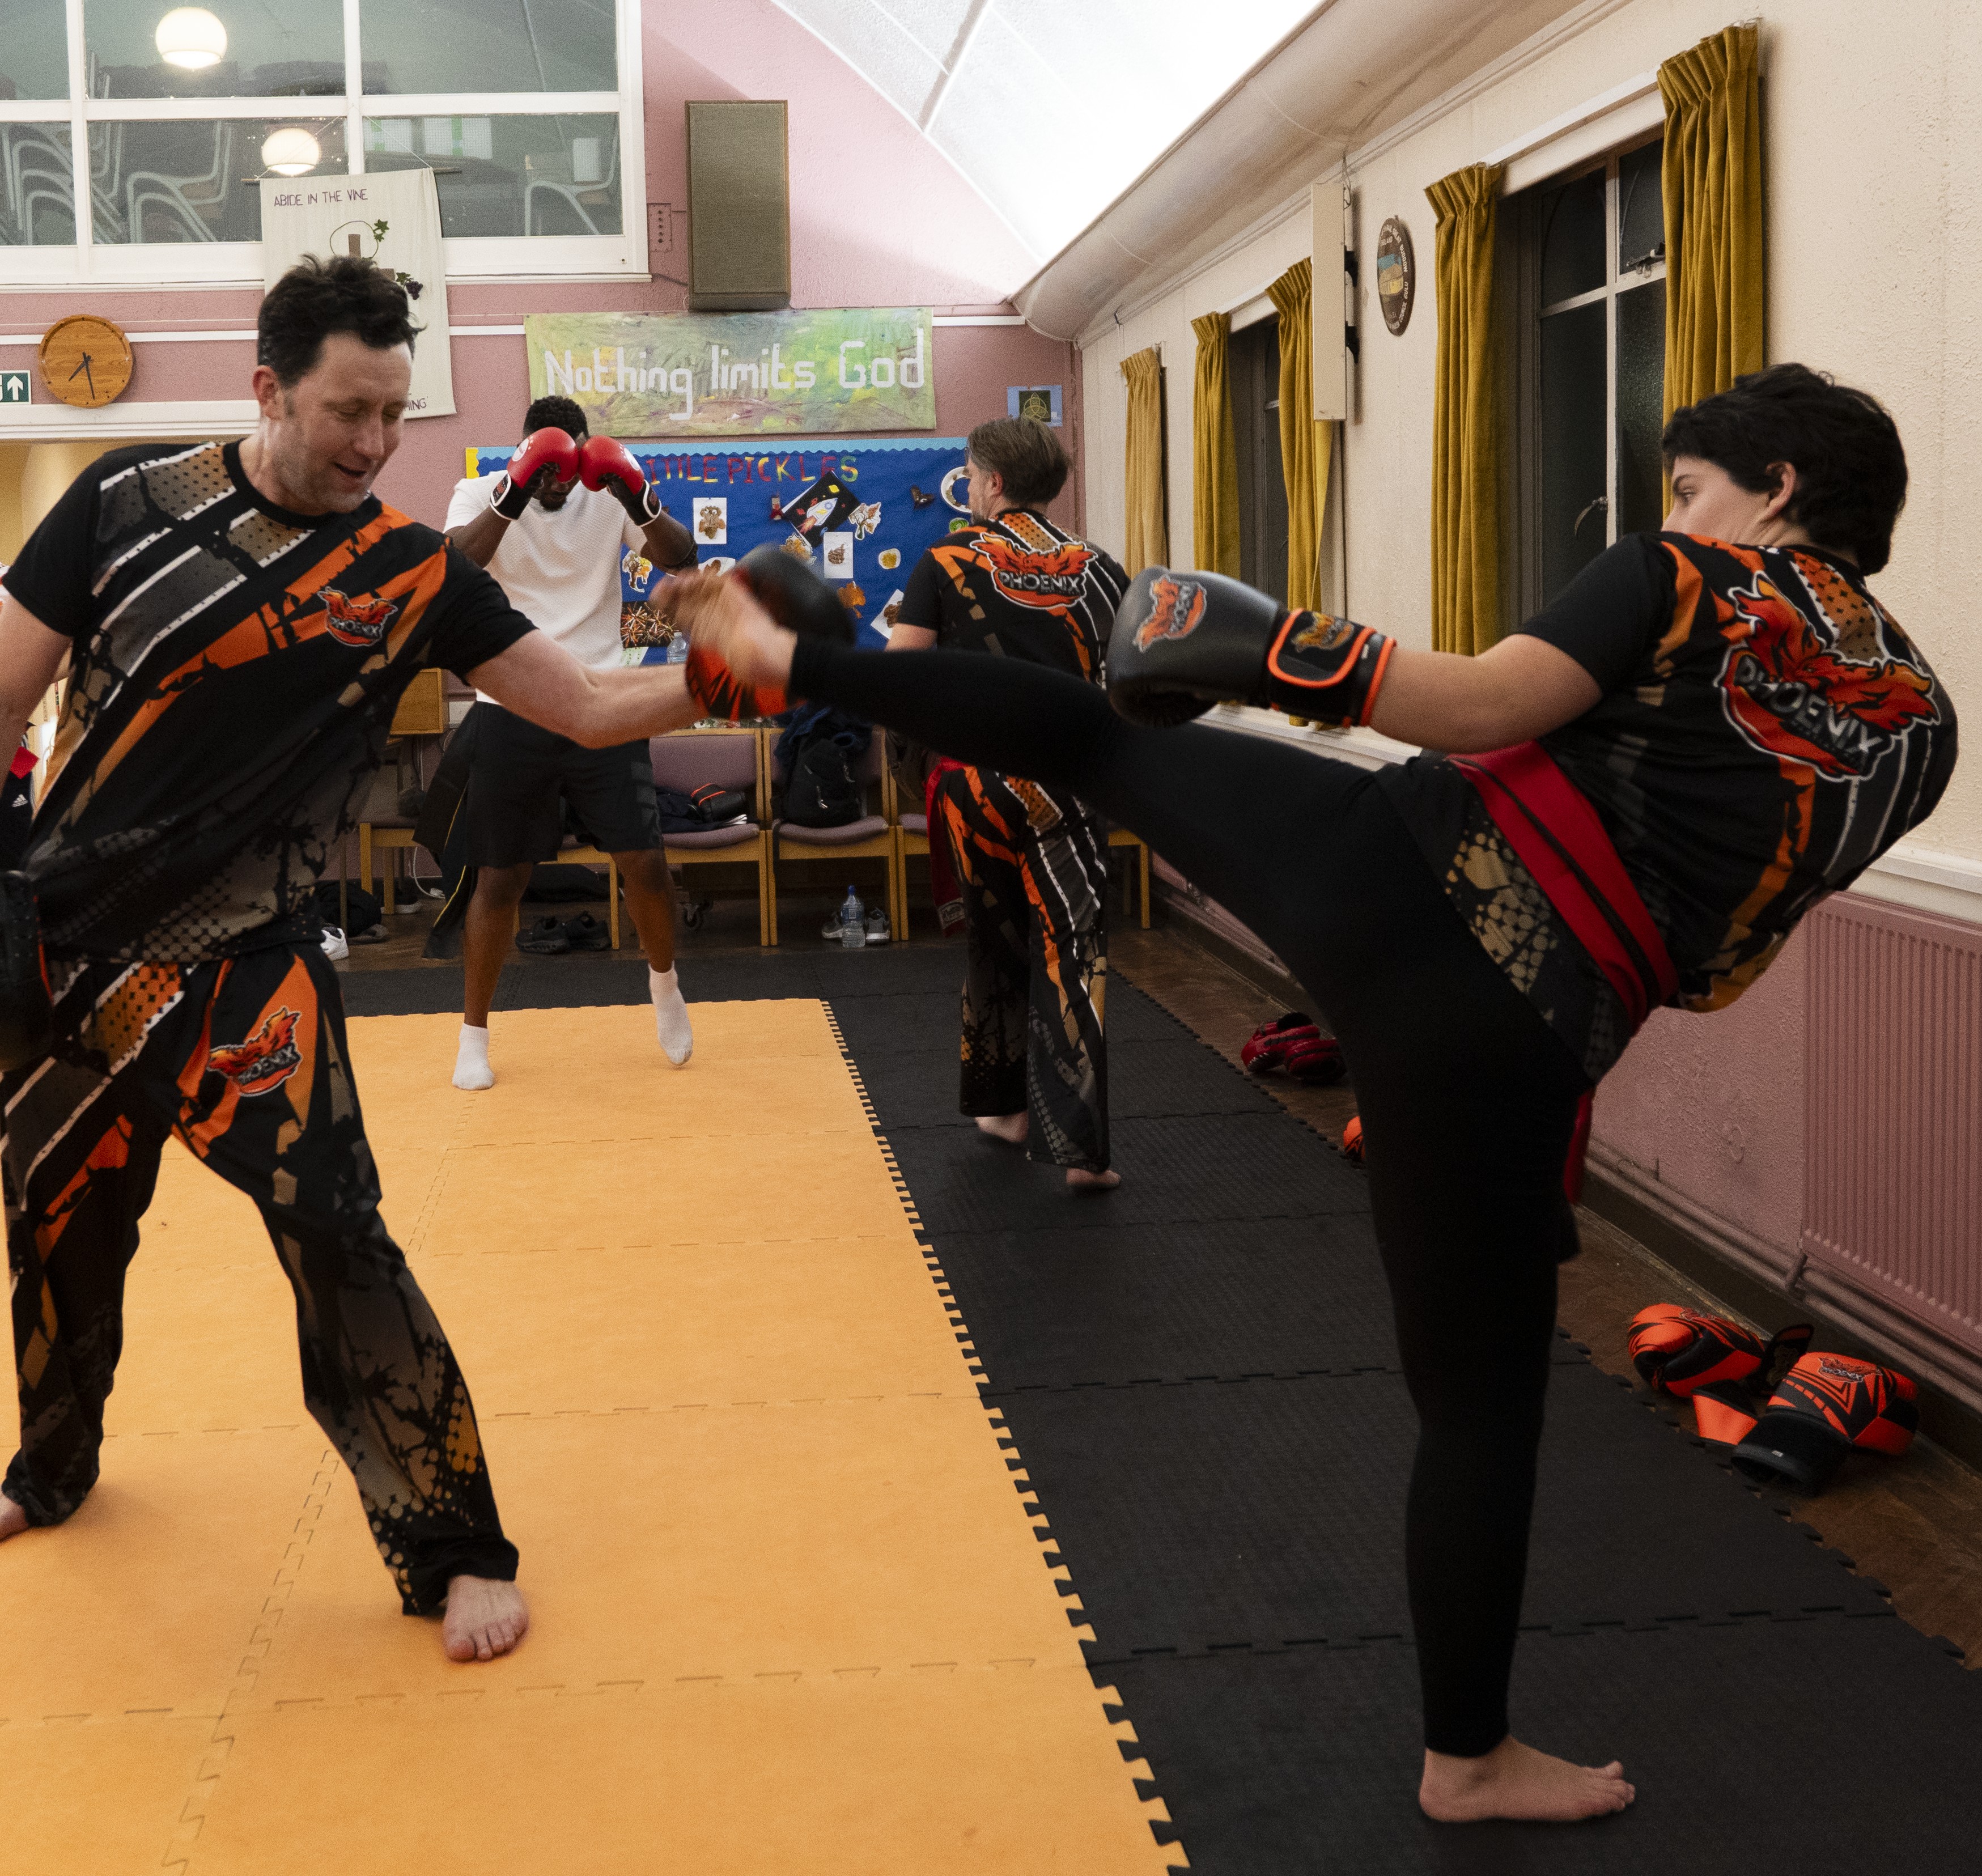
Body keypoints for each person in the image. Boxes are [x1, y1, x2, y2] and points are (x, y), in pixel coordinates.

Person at [673, 363, 1957, 1822]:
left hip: (1376, 861)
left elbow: (1472, 708)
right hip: (1514, 1031)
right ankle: (1466, 1757)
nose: (1679, 510)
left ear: (1774, 488)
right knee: (1476, 1410)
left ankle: (794, 660)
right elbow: (1724, 953)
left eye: (1690, 484)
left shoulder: (1694, 576)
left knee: (1095, 739)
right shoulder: (1922, 727)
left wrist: (1264, 646)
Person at [0, 256, 715, 1662]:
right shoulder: (120, 505)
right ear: (268, 386)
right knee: (56, 1233)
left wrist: (735, 670)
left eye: (394, 411)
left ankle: (454, 1547)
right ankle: (49, 1467)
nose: (376, 442)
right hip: (59, 953)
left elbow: (576, 707)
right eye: (349, 410)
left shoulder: (408, 572)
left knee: (342, 1242)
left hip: (243, 966)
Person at [886, 417, 1128, 1190]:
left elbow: (902, 678)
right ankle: (1081, 1150)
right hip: (1069, 778)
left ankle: (1005, 1111)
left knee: (995, 943)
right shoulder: (1101, 569)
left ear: (990, 483)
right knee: (1073, 947)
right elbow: (1131, 684)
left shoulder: (948, 560)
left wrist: (917, 759)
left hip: (976, 785)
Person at [444, 396, 698, 1090]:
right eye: (549, 468)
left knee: (644, 861)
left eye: (569, 467)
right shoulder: (479, 490)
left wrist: (635, 494)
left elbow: (682, 558)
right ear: (527, 452)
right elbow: (456, 570)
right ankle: (473, 1034)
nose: (562, 481)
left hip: (602, 698)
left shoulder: (608, 489)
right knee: (500, 875)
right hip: (510, 701)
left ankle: (665, 988)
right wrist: (514, 488)